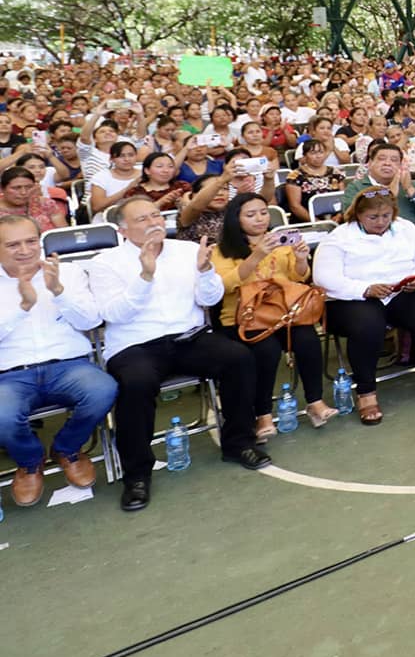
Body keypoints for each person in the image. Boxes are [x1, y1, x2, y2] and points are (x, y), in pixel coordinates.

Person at [89, 196, 271, 512]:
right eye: (142, 219)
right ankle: (137, 474)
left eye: (156, 215)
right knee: (136, 384)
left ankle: (239, 442)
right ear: (122, 229)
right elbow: (113, 314)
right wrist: (145, 276)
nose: (153, 223)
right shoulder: (105, 263)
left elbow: (209, 298)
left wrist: (203, 272)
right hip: (136, 344)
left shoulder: (188, 251)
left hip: (189, 336)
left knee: (239, 359)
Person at [313, 187, 415, 424]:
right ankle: (366, 392)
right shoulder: (339, 238)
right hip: (353, 298)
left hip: (399, 292)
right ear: (358, 215)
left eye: (386, 216)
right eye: (373, 217)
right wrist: (364, 289)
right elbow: (324, 278)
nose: (381, 222)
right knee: (368, 326)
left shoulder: (405, 228)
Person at [0, 215, 114, 507]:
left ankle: (67, 448)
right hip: (10, 374)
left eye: (30, 241)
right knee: (2, 415)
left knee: (103, 390)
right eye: (13, 244)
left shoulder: (69, 272)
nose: (25, 250)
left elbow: (92, 320)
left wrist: (59, 292)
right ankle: (29, 462)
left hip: (69, 364)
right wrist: (23, 307)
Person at [208, 193, 334, 437]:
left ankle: (315, 402)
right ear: (236, 219)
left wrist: (299, 259)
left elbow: (298, 277)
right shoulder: (221, 250)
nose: (259, 219)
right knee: (267, 350)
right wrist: (256, 256)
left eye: (263, 212)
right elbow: (224, 286)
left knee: (307, 339)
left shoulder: (280, 241)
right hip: (243, 317)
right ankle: (262, 414)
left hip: (284, 313)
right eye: (251, 214)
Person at [343, 142, 415, 237]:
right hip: (373, 244)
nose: (387, 163)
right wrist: (388, 193)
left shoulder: (412, 185)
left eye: (394, 160)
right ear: (370, 163)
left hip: (411, 245)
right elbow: (350, 217)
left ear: (400, 165)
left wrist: (409, 189)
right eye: (381, 159)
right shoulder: (356, 187)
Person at [280, 138, 344, 222]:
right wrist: (316, 222)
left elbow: (344, 197)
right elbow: (295, 206)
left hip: (335, 218)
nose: (318, 156)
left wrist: (339, 216)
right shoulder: (295, 176)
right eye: (313, 153)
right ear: (305, 156)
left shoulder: (336, 173)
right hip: (307, 220)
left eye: (321, 152)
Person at [0, 165, 68, 232]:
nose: (23, 192)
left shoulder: (46, 204)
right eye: (16, 188)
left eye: (29, 187)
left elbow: (64, 234)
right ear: (2, 189)